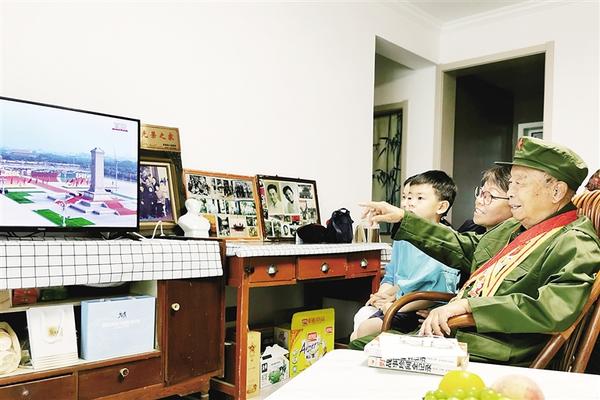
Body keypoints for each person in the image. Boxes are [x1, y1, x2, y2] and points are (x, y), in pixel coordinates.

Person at [353, 137, 600, 366]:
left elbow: (552, 308)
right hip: (457, 338)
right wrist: (403, 218)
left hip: (493, 353)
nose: (511, 192)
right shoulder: (515, 227)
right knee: (360, 348)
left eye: (520, 183)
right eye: (511, 183)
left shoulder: (575, 240)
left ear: (556, 191)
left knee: (362, 354)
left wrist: (468, 307)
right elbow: (466, 247)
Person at [350, 170, 458, 341]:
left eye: (419, 198)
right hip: (400, 302)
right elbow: (392, 275)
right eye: (407, 198)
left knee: (366, 328)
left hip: (422, 307)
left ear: (441, 207)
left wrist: (395, 305)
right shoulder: (403, 237)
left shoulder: (447, 241)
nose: (409, 204)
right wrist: (381, 296)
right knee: (356, 332)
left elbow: (438, 292)